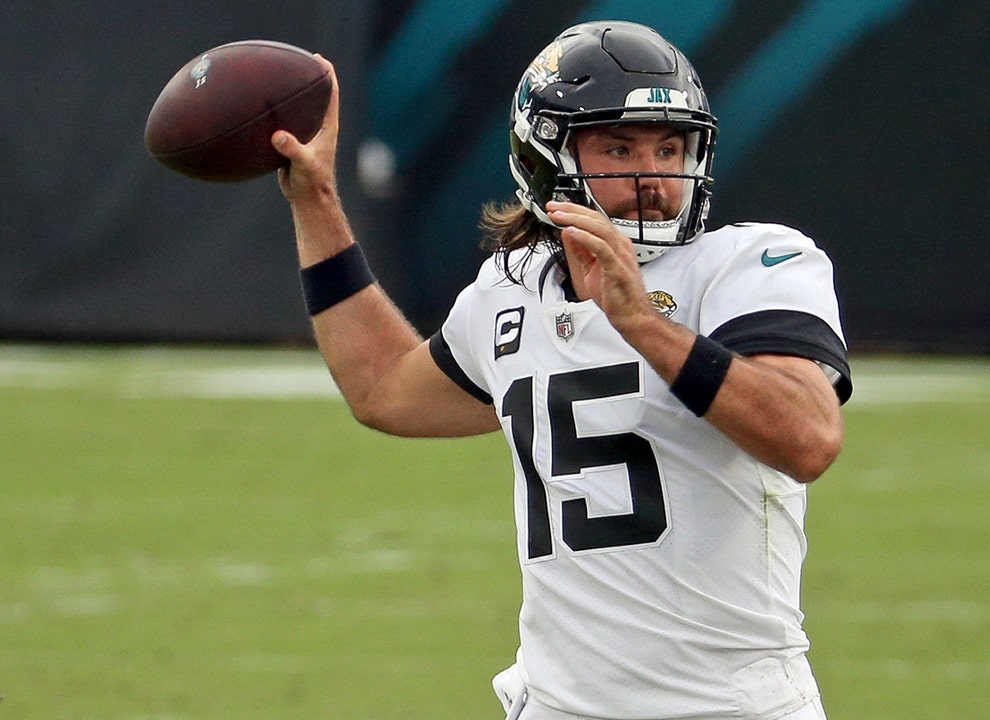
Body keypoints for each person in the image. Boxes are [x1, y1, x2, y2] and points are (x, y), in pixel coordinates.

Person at [272, 20, 852, 720]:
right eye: (619, 148)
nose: (653, 177)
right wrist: (315, 201)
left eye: (669, 148)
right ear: (545, 158)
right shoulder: (513, 289)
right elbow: (382, 387)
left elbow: (808, 438)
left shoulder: (750, 265)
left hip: (729, 707)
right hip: (559, 705)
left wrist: (642, 323)